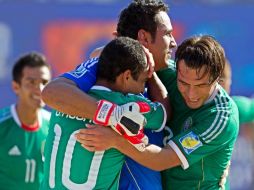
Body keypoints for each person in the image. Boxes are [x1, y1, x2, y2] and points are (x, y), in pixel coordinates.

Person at [41, 0, 176, 189]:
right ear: (144, 38)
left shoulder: (179, 74)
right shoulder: (102, 67)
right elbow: (51, 92)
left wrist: (149, 74)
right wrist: (115, 115)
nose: (174, 42)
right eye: (168, 34)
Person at [76, 35, 240, 190]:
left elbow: (162, 159)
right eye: (183, 83)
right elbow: (96, 54)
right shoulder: (170, 73)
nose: (191, 94)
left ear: (217, 77)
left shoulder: (221, 117)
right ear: (178, 70)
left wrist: (115, 140)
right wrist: (144, 60)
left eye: (200, 85)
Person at [0, 52, 51, 189]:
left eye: (44, 83)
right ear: (16, 87)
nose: (39, 89)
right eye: (31, 82)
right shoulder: (2, 125)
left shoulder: (54, 126)